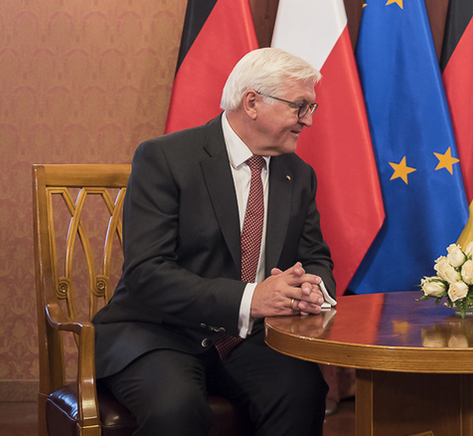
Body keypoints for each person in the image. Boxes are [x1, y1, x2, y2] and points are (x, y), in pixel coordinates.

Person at [93, 48, 336, 436]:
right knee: (177, 409)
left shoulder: (298, 174)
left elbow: (315, 257)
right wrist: (250, 298)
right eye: (300, 106)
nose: (307, 120)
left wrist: (312, 288)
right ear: (252, 102)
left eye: (311, 107)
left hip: (249, 338)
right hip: (160, 332)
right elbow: (146, 274)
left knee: (302, 392)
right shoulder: (165, 158)